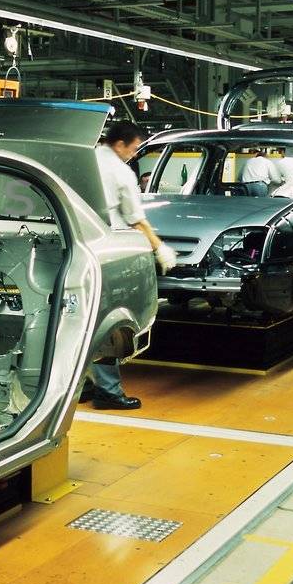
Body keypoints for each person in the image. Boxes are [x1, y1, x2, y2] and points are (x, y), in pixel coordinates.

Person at [84, 120, 176, 410]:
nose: (135, 154)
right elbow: (136, 218)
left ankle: (83, 385)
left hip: (78, 246)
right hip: (107, 248)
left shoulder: (86, 157)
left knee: (81, 318)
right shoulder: (120, 171)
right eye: (135, 148)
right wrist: (159, 247)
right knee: (109, 320)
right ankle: (109, 392)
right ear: (120, 143)